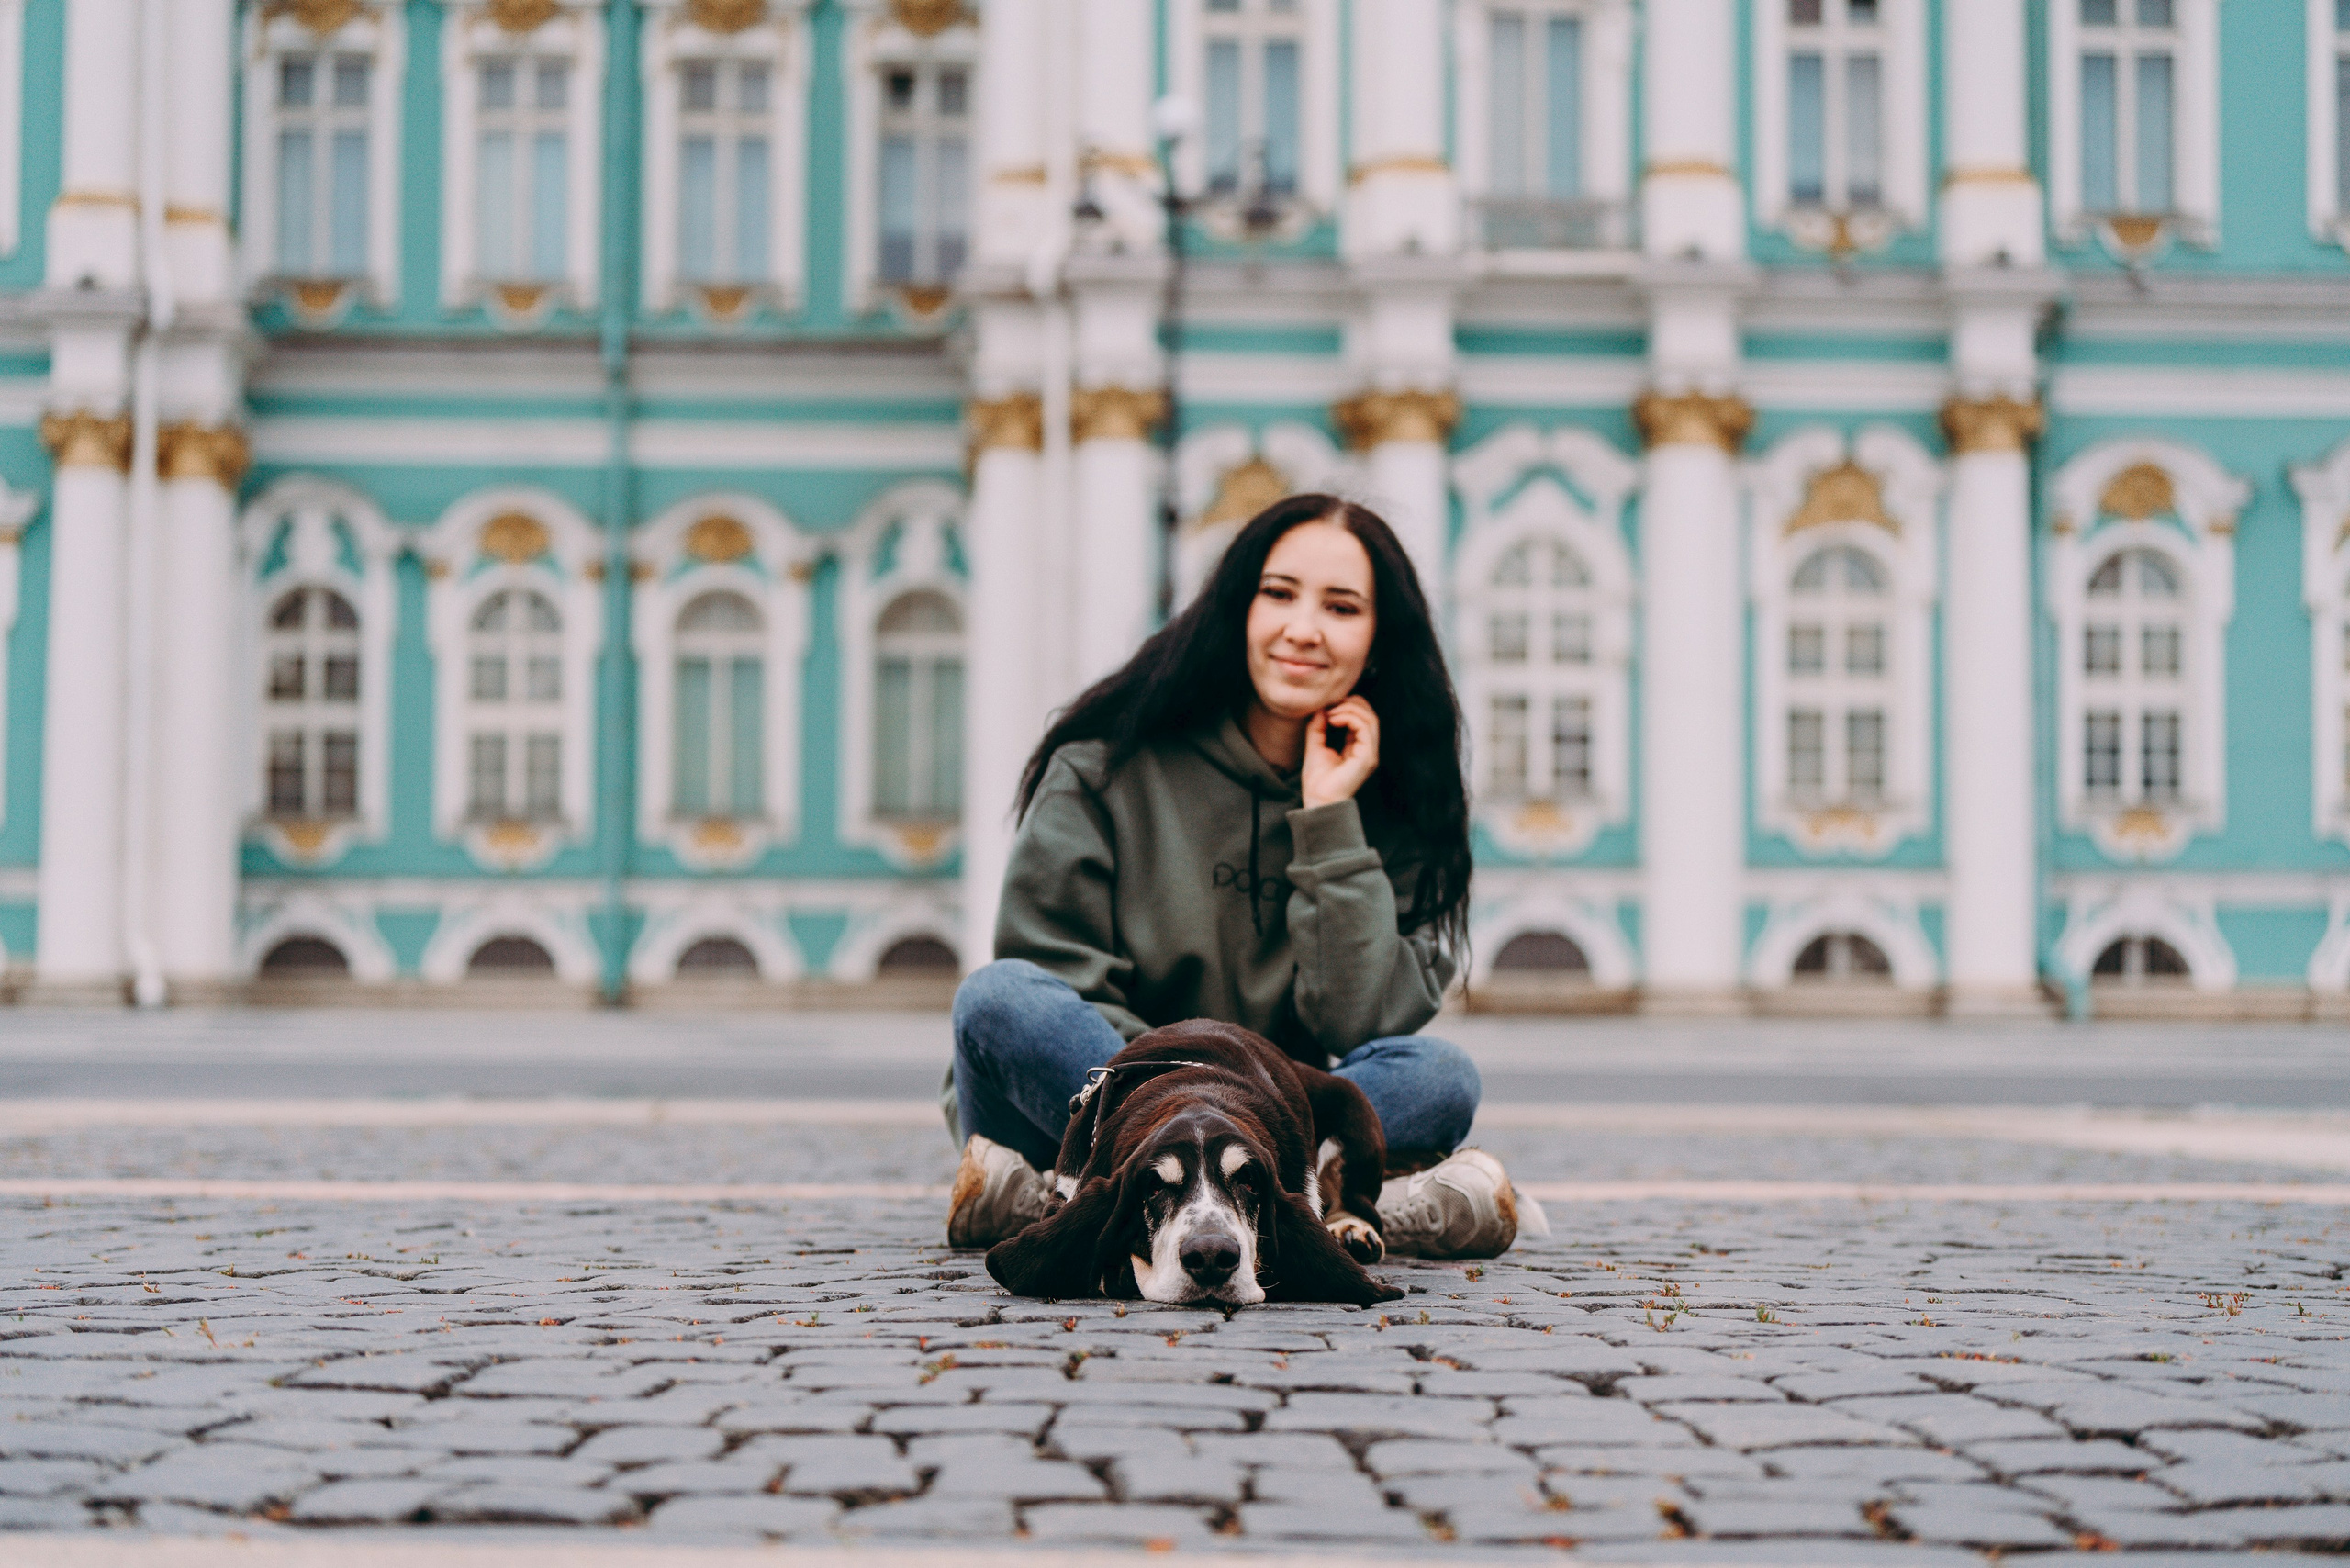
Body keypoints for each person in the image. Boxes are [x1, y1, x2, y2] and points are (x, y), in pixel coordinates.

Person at [944, 493, 1542, 1260]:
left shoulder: (1399, 802)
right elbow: (1062, 980)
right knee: (999, 1000)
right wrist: (1218, 1099)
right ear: (1236, 610)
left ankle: (1048, 1207)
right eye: (1279, 594)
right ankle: (1328, 1208)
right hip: (1097, 1112)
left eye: (1342, 606)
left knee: (1440, 1074)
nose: (1303, 628)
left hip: (1276, 1119)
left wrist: (1329, 816)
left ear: (1379, 640)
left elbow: (1357, 1021)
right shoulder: (1103, 770)